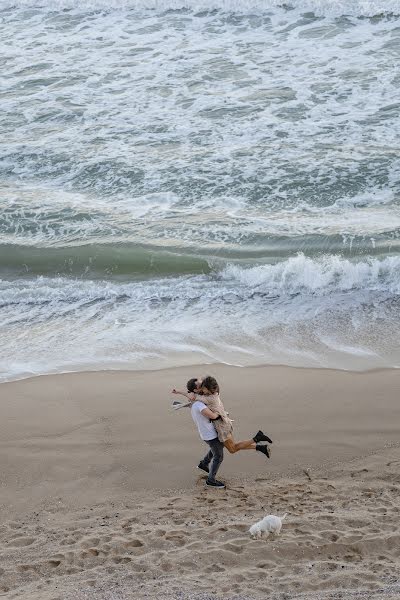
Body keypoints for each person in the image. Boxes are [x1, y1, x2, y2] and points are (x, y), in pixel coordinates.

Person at [171, 375, 273, 488]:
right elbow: (194, 398)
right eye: (201, 385)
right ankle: (205, 464)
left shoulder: (206, 398)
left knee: (231, 448)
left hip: (222, 426)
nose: (202, 386)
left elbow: (196, 400)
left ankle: (257, 439)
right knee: (225, 447)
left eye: (203, 385)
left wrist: (182, 393)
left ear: (207, 389)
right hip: (221, 425)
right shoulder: (213, 393)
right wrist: (181, 393)